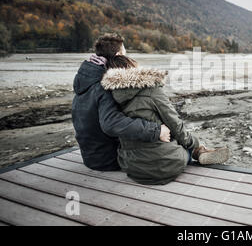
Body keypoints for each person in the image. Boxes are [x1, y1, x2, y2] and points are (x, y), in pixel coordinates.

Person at [100, 54, 230, 185]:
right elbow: (176, 125)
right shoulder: (151, 90)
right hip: (164, 164)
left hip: (131, 166)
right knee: (181, 143)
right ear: (134, 69)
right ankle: (197, 151)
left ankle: (197, 151)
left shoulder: (110, 97)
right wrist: (194, 143)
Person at [72, 33, 171, 171]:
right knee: (164, 145)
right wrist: (155, 130)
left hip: (91, 156)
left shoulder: (86, 79)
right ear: (119, 54)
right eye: (125, 52)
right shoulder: (104, 83)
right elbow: (111, 123)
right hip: (109, 159)